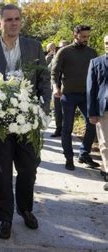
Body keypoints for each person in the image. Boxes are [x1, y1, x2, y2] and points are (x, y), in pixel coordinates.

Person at [0, 4, 51, 239]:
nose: (13, 23)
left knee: (28, 168)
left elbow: (44, 80)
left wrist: (42, 109)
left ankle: (26, 208)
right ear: (0, 23)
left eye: (17, 19)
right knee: (1, 173)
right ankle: (5, 218)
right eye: (8, 19)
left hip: (28, 123)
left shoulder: (34, 47)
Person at [52, 25, 99, 170]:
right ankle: (69, 158)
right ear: (75, 35)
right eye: (83, 36)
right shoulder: (64, 52)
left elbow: (97, 74)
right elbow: (55, 72)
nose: (86, 39)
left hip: (87, 96)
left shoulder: (92, 53)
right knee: (67, 128)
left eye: (88, 37)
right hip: (68, 95)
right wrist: (55, 87)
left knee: (92, 124)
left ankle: (84, 153)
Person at [87, 34, 108, 192]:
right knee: (105, 144)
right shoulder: (96, 62)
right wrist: (92, 112)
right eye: (106, 43)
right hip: (103, 110)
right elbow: (91, 90)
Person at [50, 40, 70, 137]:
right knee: (57, 109)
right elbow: (50, 70)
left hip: (67, 88)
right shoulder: (55, 57)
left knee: (67, 111)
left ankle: (66, 130)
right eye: (61, 47)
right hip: (56, 87)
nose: (62, 49)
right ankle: (58, 129)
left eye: (64, 47)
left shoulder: (71, 57)